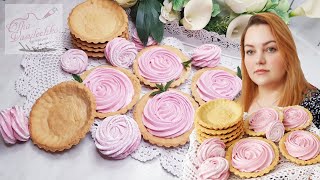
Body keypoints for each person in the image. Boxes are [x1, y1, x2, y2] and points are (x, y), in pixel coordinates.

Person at [239, 12, 320, 129]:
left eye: (270, 49)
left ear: (288, 53)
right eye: (250, 51)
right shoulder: (236, 100)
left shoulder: (314, 104)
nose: (259, 60)